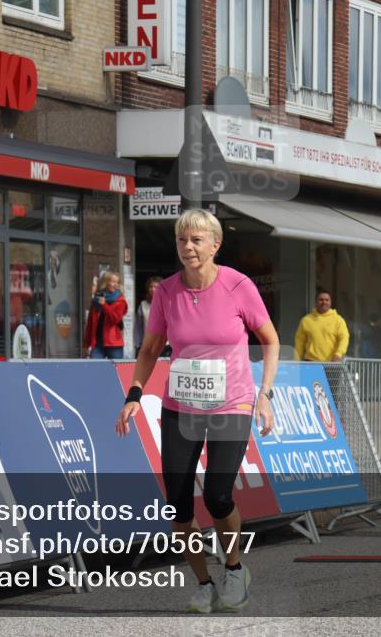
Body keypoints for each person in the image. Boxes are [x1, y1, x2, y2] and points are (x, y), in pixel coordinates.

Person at [115, 209, 279, 614]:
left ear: (214, 245)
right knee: (178, 507)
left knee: (220, 496)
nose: (188, 247)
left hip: (232, 404)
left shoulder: (238, 286)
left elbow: (270, 340)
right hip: (181, 407)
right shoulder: (167, 292)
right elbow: (151, 348)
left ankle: (235, 568)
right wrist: (134, 393)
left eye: (196, 240)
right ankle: (204, 582)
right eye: (182, 240)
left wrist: (265, 395)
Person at [294, 290, 349, 362]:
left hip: (331, 363)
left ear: (330, 302)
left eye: (327, 300)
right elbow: (299, 342)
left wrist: (338, 354)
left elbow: (344, 338)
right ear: (316, 302)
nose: (324, 302)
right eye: (321, 300)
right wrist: (296, 360)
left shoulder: (338, 320)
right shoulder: (306, 320)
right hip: (311, 362)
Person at [83, 271, 127, 359]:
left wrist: (104, 305)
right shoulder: (96, 300)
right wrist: (86, 344)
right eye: (112, 281)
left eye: (117, 282)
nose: (115, 284)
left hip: (114, 344)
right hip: (98, 343)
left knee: (116, 371)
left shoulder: (120, 301)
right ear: (106, 282)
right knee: (93, 369)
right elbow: (90, 323)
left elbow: (115, 319)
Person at [134, 276, 170, 357]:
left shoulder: (168, 304)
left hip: (165, 345)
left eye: (156, 287)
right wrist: (138, 344)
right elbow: (138, 327)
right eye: (151, 287)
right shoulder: (143, 305)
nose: (153, 289)